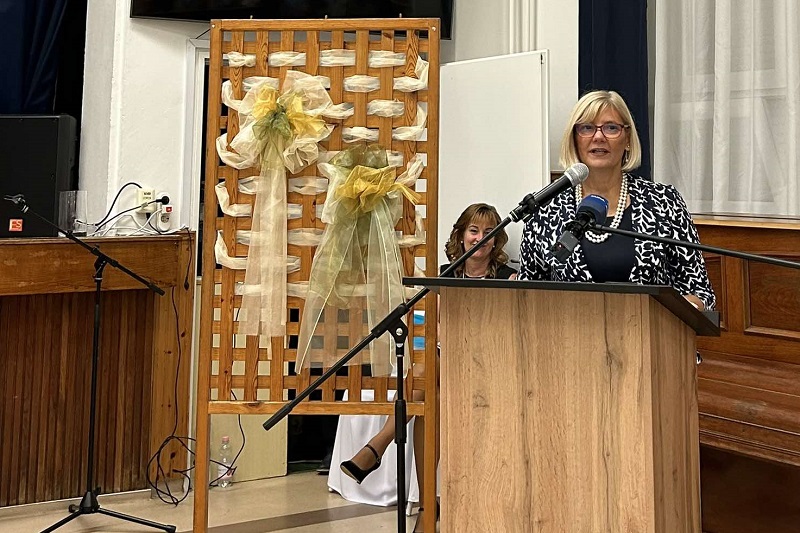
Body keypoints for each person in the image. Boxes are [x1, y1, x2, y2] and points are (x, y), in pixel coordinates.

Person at [339, 202, 517, 531]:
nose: (479, 238)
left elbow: (504, 331)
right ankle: (425, 505)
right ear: (461, 236)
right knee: (426, 395)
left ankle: (379, 448)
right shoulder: (444, 275)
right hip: (443, 363)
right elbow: (426, 328)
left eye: (488, 232)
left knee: (423, 381)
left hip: (486, 365)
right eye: (473, 230)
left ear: (495, 240)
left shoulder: (509, 277)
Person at [518, 90, 715, 312]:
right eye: (587, 128)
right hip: (570, 331)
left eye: (611, 128)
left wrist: (678, 311)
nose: (598, 137)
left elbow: (700, 291)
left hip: (650, 331)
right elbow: (527, 297)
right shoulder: (544, 211)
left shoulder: (664, 202)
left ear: (627, 139)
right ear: (574, 139)